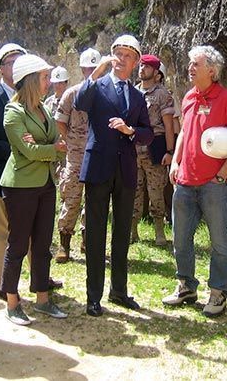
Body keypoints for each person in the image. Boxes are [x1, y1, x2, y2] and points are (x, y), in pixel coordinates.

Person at [162, 45, 227, 317]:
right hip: (185, 183)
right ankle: (186, 286)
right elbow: (184, 134)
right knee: (180, 239)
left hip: (214, 185)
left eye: (195, 63)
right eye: (190, 62)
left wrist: (222, 175)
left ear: (212, 71)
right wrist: (176, 162)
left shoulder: (226, 99)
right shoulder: (189, 97)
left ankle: (218, 292)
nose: (190, 67)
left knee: (219, 242)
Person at [74, 35, 153, 317]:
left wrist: (130, 130)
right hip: (98, 167)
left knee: (121, 234)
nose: (121, 59)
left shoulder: (137, 96)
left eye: (127, 56)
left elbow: (147, 132)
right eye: (117, 54)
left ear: (135, 63)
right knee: (95, 232)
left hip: (126, 170)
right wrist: (96, 72)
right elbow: (80, 103)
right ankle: (93, 296)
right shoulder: (98, 85)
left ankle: (118, 291)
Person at [0, 54, 68, 326]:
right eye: (44, 77)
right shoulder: (13, 111)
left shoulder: (44, 109)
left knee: (42, 244)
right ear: (29, 80)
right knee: (18, 244)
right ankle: (12, 302)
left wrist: (44, 148)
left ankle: (42, 299)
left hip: (44, 184)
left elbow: (47, 142)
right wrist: (51, 149)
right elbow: (27, 150)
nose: (48, 82)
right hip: (20, 187)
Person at [0, 43, 27, 298]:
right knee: (1, 232)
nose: (15, 66)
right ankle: (2, 283)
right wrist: (15, 149)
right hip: (1, 177)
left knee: (32, 230)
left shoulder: (31, 96)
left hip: (28, 178)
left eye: (19, 61)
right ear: (1, 68)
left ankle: (40, 278)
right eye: (10, 62)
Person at [53, 48, 101, 263]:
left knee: (95, 201)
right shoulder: (72, 93)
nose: (91, 71)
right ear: (82, 69)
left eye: (94, 67)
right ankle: (64, 245)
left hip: (98, 155)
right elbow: (60, 120)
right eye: (88, 68)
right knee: (71, 198)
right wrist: (71, 140)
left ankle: (88, 242)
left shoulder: (105, 92)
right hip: (75, 157)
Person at [131, 54, 175, 245]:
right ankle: (132, 231)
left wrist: (170, 151)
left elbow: (168, 125)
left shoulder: (162, 94)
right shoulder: (132, 91)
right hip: (133, 148)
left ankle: (159, 230)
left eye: (147, 66)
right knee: (134, 190)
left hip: (154, 147)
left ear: (156, 73)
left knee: (156, 190)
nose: (142, 69)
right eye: (141, 65)